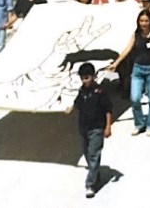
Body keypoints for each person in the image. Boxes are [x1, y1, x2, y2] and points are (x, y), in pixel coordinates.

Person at [108, 10, 150, 136]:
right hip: (138, 69)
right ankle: (139, 124)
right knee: (135, 98)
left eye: (146, 21)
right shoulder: (136, 34)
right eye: (141, 21)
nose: (143, 23)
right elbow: (127, 49)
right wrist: (116, 63)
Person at [65, 63, 112, 199]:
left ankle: (90, 185)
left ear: (93, 76)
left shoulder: (100, 92)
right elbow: (77, 102)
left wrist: (108, 126)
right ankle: (96, 175)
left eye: (87, 78)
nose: (85, 81)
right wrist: (71, 109)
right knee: (87, 153)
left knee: (93, 155)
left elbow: (108, 109)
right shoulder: (82, 91)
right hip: (84, 128)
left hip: (97, 128)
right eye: (82, 78)